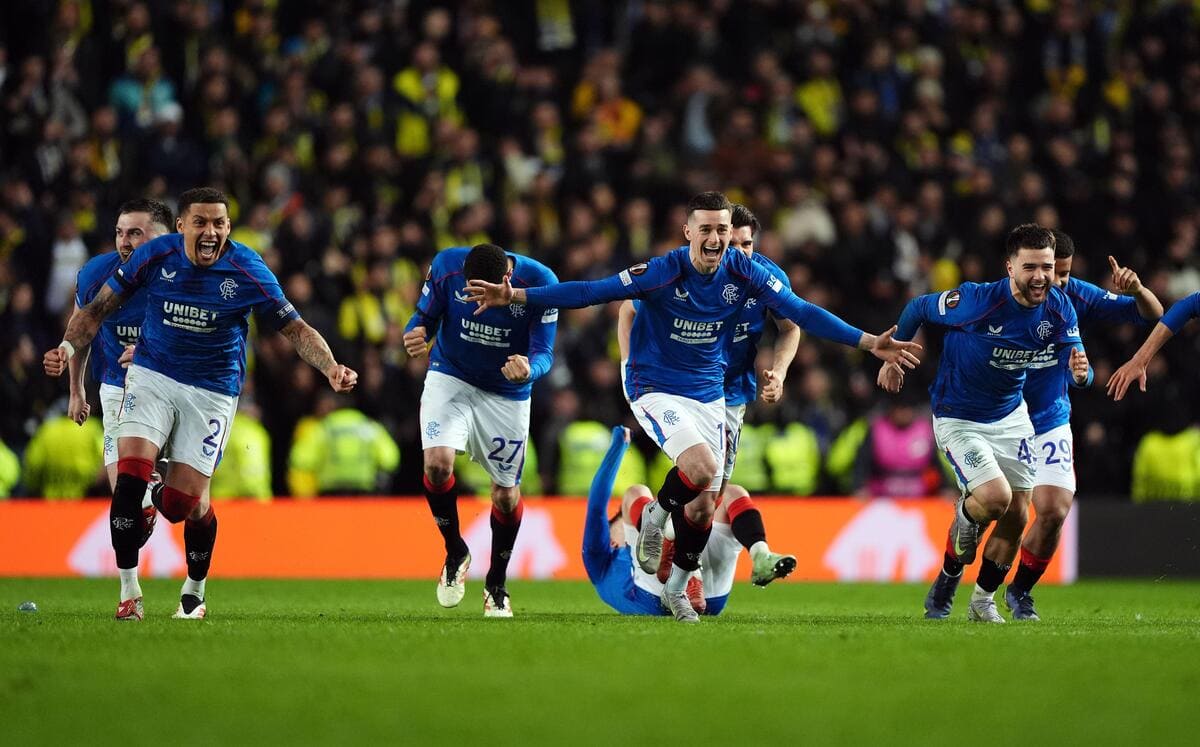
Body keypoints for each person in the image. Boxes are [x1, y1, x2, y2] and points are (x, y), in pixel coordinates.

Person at [469, 191, 921, 622]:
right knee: (701, 469)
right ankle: (656, 512)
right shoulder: (663, 272)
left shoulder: (747, 274)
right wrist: (515, 296)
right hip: (657, 386)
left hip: (711, 394)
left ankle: (678, 587)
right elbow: (591, 291)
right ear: (687, 232)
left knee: (705, 508)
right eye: (706, 229)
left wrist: (867, 342)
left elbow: (800, 314)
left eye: (723, 230)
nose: (717, 239)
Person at [43, 187, 357, 622]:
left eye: (220, 224)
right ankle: (129, 593)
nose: (211, 232)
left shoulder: (247, 268)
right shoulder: (154, 258)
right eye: (201, 223)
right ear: (181, 227)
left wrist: (331, 367)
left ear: (228, 227)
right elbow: (95, 311)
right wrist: (65, 347)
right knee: (128, 480)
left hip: (211, 390)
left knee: (184, 506)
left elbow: (295, 328)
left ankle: (194, 588)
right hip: (150, 376)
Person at [879, 224, 1084, 623]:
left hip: (1012, 417)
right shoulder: (975, 300)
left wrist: (1081, 373)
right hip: (959, 418)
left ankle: (982, 600)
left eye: (1046, 266)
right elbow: (919, 307)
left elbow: (1079, 364)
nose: (1041, 277)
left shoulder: (1059, 307)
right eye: (1030, 268)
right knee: (994, 498)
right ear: (1010, 267)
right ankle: (949, 575)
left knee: (1018, 516)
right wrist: (892, 356)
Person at [615, 203, 799, 585]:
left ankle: (674, 560)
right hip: (681, 386)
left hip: (731, 395)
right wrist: (629, 363)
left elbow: (793, 327)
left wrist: (779, 372)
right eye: (731, 243)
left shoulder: (764, 279)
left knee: (707, 503)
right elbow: (627, 310)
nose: (738, 251)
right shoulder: (690, 272)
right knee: (697, 478)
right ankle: (683, 569)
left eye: (746, 244)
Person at [997, 231, 1161, 620]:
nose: (1056, 283)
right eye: (1051, 272)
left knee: (1053, 510)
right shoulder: (1000, 299)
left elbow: (1155, 314)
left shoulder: (1077, 295)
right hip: (1002, 420)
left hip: (1050, 417)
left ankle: (1019, 592)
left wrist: (1137, 290)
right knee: (1001, 510)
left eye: (1063, 274)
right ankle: (964, 578)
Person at [402, 243, 558, 618]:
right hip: (450, 375)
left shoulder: (539, 282)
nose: (477, 300)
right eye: (470, 290)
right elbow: (425, 315)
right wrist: (415, 332)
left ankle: (496, 584)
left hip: (507, 392)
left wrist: (529, 369)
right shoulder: (445, 265)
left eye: (484, 291)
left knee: (505, 496)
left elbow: (545, 353)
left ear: (505, 279)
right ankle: (456, 551)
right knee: (437, 465)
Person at [582, 426, 792, 616]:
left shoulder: (609, 569)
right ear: (612, 540)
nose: (621, 516)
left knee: (731, 494)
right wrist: (619, 445)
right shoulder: (598, 560)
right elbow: (597, 506)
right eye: (618, 518)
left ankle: (760, 553)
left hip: (703, 594)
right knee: (636, 493)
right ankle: (681, 559)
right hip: (658, 598)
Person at [69, 199, 173, 537]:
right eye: (119, 233)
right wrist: (76, 388)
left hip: (173, 385)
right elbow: (81, 329)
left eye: (135, 233)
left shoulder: (185, 279)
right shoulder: (96, 274)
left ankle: (157, 484)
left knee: (187, 504)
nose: (124, 242)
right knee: (124, 499)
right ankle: (129, 588)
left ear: (162, 238)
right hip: (117, 385)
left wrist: (148, 353)